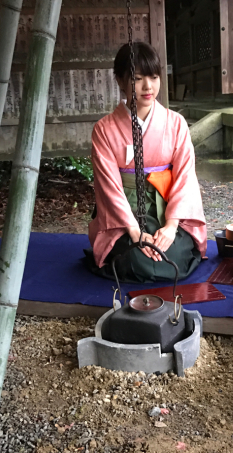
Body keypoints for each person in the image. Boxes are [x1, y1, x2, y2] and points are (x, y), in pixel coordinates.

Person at [84, 42, 207, 283]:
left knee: (172, 253)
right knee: (135, 258)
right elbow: (108, 188)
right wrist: (134, 232)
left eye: (153, 77)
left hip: (168, 208)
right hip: (124, 213)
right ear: (120, 80)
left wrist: (171, 227)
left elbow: (185, 178)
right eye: (138, 78)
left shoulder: (176, 123)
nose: (148, 87)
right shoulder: (104, 129)